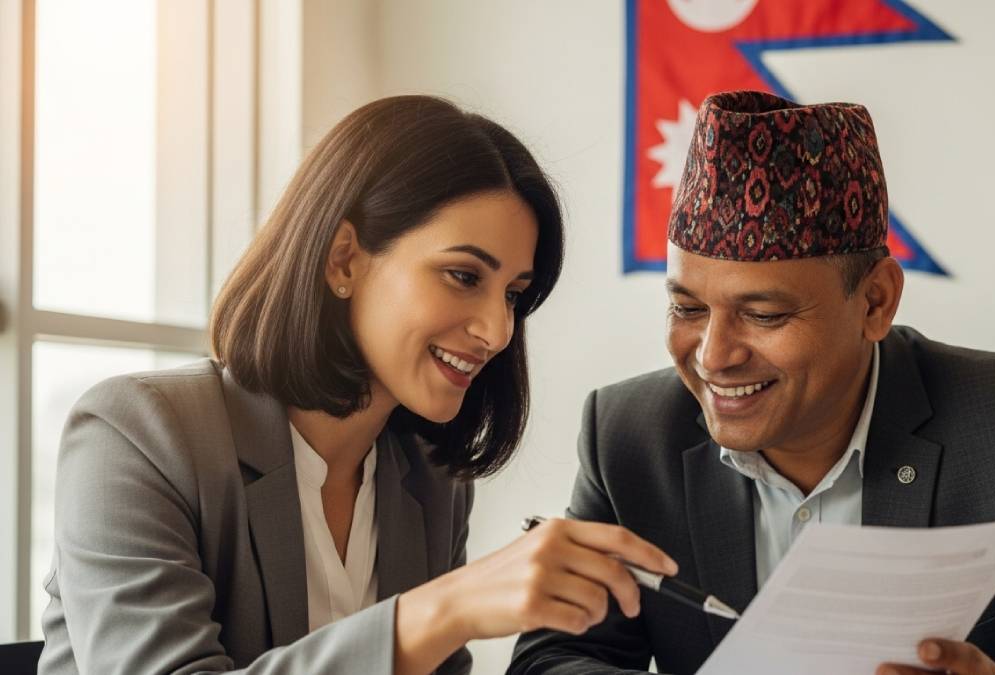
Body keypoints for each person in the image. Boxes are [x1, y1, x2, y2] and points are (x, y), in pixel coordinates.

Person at [509, 91, 995, 674]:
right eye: (687, 308)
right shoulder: (628, 434)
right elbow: (550, 659)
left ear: (875, 301)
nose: (714, 355)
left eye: (764, 313)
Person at [38, 95, 678, 675]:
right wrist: (445, 608)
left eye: (513, 294)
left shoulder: (431, 478)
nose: (498, 329)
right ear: (343, 259)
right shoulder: (134, 437)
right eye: (462, 276)